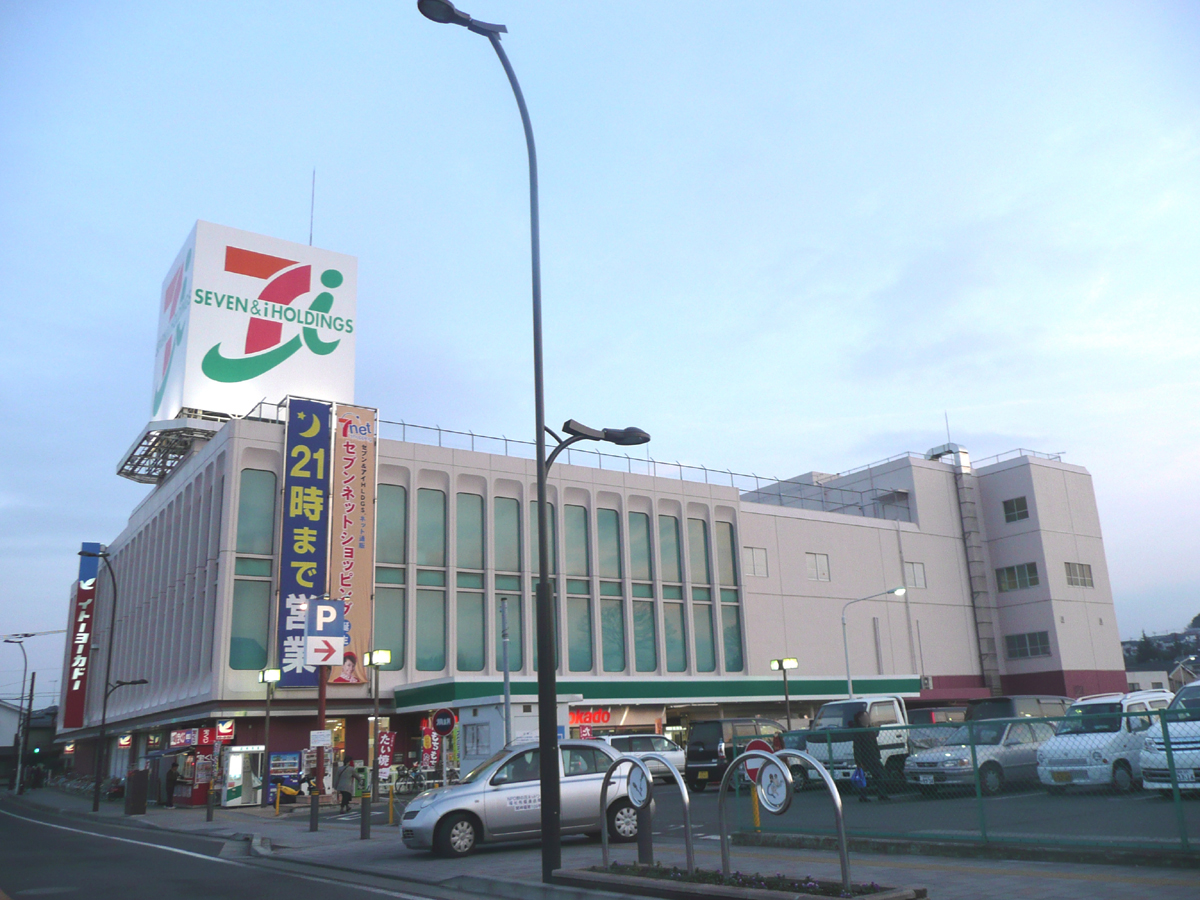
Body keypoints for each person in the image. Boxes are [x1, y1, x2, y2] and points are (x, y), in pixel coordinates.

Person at [851, 709, 889, 802]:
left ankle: (882, 794)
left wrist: (878, 755)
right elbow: (857, 747)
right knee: (865, 777)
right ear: (860, 719)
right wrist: (859, 762)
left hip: (874, 757)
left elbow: (875, 744)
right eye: (864, 717)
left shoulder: (870, 729)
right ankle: (864, 796)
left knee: (880, 775)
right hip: (865, 758)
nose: (866, 718)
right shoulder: (858, 731)